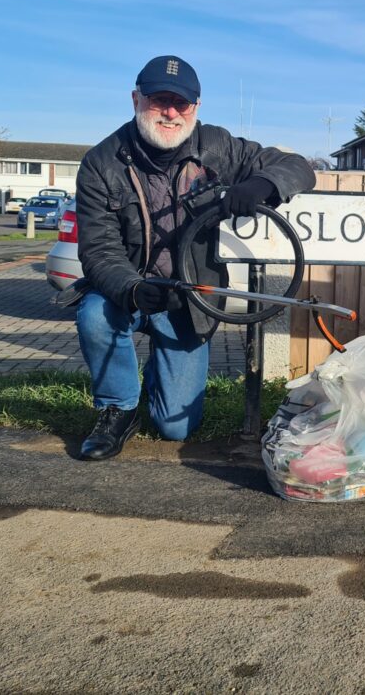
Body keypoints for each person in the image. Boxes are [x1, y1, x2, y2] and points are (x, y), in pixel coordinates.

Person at [72, 55, 316, 460]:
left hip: (189, 298)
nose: (170, 112)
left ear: (196, 108)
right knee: (94, 315)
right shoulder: (101, 163)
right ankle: (118, 408)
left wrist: (261, 183)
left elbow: (297, 166)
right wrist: (132, 288)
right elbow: (98, 249)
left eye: (181, 103)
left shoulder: (217, 146)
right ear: (136, 100)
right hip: (128, 292)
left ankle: (156, 382)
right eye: (158, 100)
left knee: (176, 427)